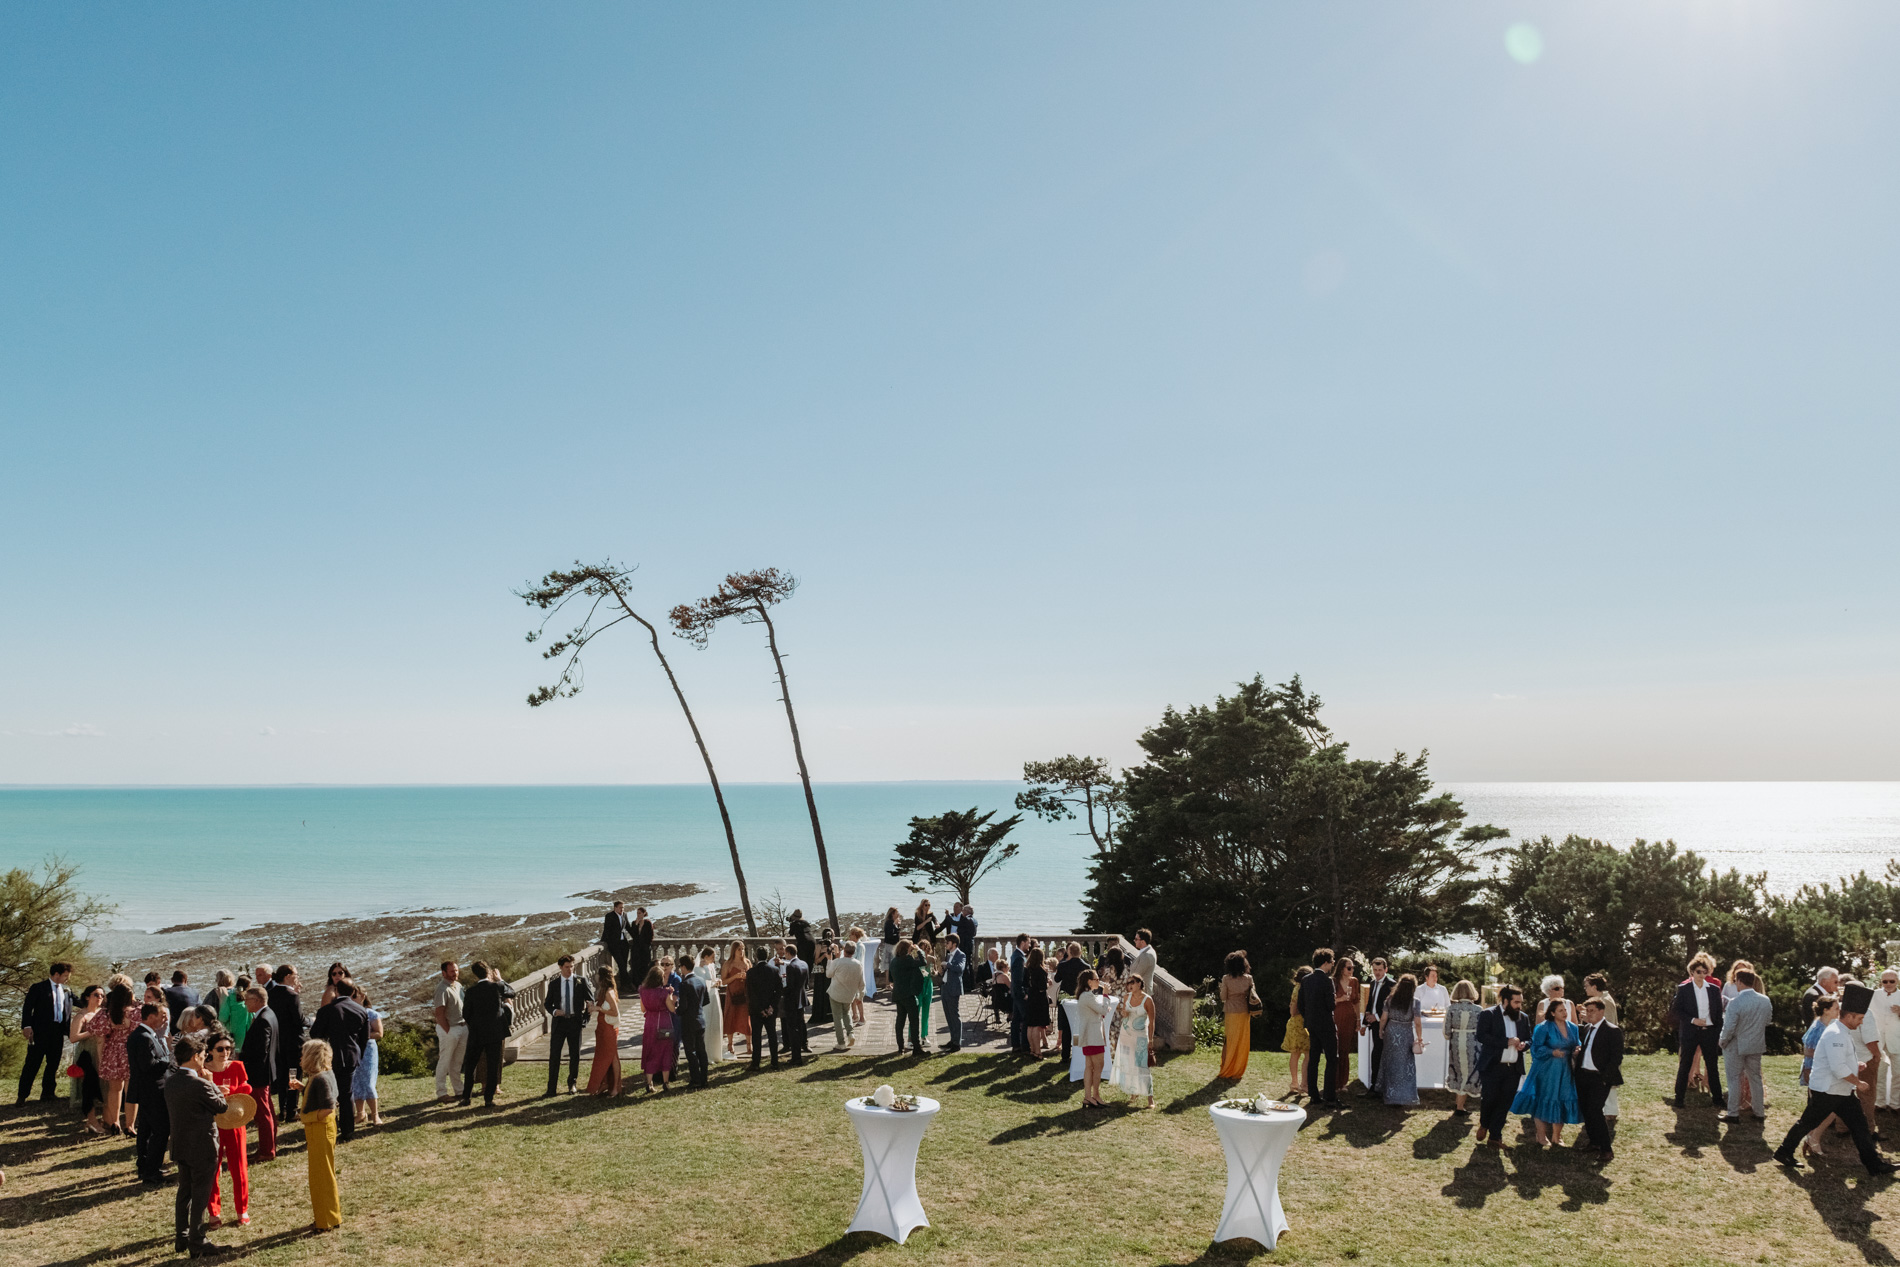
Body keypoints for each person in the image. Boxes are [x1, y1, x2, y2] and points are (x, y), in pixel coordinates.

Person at [1776, 982, 1900, 1175]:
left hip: (1840, 1090)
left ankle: (1874, 1164)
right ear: (1849, 1016)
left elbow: (1840, 1061)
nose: (1860, 1022)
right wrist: (1858, 1082)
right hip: (1828, 1090)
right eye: (1859, 1018)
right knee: (1807, 1122)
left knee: (1859, 1126)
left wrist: (1855, 1066)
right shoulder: (1836, 1033)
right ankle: (1784, 1151)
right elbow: (1837, 1068)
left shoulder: (1841, 1030)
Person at [165, 1031, 229, 1257]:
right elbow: (222, 1107)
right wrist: (211, 1084)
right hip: (202, 1145)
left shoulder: (171, 1082)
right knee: (200, 1194)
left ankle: (181, 1236)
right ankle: (197, 1239)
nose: (204, 1058)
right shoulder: (200, 1084)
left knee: (184, 1191)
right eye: (203, 1054)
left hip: (181, 1143)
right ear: (194, 1056)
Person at [1511, 998, 1582, 1146]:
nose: (1565, 1013)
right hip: (1546, 1069)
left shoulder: (1573, 1028)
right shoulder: (1543, 1027)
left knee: (1562, 1098)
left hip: (1566, 1070)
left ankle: (1557, 1136)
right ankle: (1541, 1135)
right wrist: (1551, 1052)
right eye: (1561, 1010)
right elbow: (1536, 1049)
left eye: (1565, 1010)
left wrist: (1577, 1050)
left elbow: (1577, 1043)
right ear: (1552, 1012)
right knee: (1544, 1099)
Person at [289, 1039, 343, 1230]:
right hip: (322, 1129)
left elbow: (328, 1108)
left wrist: (306, 1117)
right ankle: (330, 1216)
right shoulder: (322, 1075)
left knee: (321, 1176)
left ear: (311, 1057)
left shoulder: (319, 1078)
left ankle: (325, 1221)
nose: (301, 1058)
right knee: (324, 1174)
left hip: (320, 1129)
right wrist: (303, 1089)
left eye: (304, 1054)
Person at [309, 980, 371, 1141]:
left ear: (336, 990)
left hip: (330, 1056)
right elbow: (364, 1038)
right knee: (346, 1093)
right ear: (353, 992)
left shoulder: (327, 1010)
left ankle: (331, 1124)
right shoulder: (361, 1010)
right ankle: (348, 1130)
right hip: (351, 1055)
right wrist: (358, 1054)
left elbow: (314, 1034)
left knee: (329, 1092)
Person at [205, 1031, 251, 1229]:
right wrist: (216, 1092)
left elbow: (247, 1089)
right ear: (210, 1051)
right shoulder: (204, 1071)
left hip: (234, 1122)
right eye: (220, 1049)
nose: (225, 1053)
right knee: (211, 1170)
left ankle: (242, 1210)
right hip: (211, 1125)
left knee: (239, 1169)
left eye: (229, 1049)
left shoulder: (237, 1066)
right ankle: (214, 1213)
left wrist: (230, 1092)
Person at [1474, 985, 1529, 1146]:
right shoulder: (1488, 1014)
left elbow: (1529, 1039)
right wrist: (1506, 1042)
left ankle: (1495, 1136)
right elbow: (1481, 1036)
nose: (1519, 1005)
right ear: (1505, 1000)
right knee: (1489, 1098)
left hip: (1513, 1068)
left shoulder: (1523, 1017)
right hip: (1492, 1066)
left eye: (1521, 1002)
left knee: (1505, 1102)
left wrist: (1524, 1044)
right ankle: (1484, 1123)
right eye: (1516, 1002)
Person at [85, 981, 142, 1137]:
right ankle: (130, 1125)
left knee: (114, 1090)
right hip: (131, 1052)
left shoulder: (106, 1013)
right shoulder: (136, 1012)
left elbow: (94, 1029)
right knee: (131, 1091)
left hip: (112, 1051)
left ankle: (115, 1121)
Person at [1573, 995, 1624, 1163]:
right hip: (1583, 1076)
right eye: (1587, 1011)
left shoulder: (1612, 1030)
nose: (1589, 1014)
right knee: (1586, 1110)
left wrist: (1605, 1078)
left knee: (1595, 1111)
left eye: (1592, 1011)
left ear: (1602, 1011)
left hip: (1599, 1078)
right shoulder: (1586, 1029)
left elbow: (1616, 1058)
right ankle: (1594, 1142)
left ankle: (1606, 1149)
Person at [458, 961, 515, 1108]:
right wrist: (500, 979)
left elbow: (466, 1014)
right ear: (489, 972)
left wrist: (475, 1025)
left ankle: (466, 1097)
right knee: (492, 1065)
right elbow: (512, 993)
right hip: (495, 1033)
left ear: (475, 974)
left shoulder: (470, 991)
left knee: (470, 1065)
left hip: (477, 1033)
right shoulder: (497, 986)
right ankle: (488, 1099)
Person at [1719, 968, 1772, 1123]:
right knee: (1755, 1078)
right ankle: (1759, 1112)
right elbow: (1768, 1021)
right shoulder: (1765, 1000)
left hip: (1736, 1044)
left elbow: (1729, 1027)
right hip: (1756, 1043)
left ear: (1740, 982)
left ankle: (1733, 1113)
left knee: (1734, 1078)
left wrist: (1723, 1041)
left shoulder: (1735, 1002)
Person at [16, 960, 73, 1105]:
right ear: (56, 974)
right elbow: (27, 1008)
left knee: (53, 1063)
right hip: (40, 1031)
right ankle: (22, 1096)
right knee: (32, 1063)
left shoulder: (66, 990)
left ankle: (48, 1093)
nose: (67, 978)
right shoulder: (38, 988)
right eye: (65, 975)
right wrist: (27, 1026)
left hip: (57, 1031)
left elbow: (79, 1002)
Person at [1673, 957, 1726, 1108]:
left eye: (1705, 971)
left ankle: (1717, 1098)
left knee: (1712, 1066)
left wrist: (1716, 1030)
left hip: (1709, 1032)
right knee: (1685, 1065)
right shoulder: (1684, 989)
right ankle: (1679, 1098)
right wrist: (1692, 1020)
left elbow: (1718, 1012)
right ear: (1691, 972)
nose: (1702, 975)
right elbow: (1676, 1011)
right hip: (1691, 1032)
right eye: (1698, 972)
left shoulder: (1714, 989)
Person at [128, 1003, 173, 1182]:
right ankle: (151, 1170)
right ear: (150, 1016)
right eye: (162, 1015)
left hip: (150, 1089)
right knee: (161, 1129)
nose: (165, 1018)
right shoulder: (143, 1037)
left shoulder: (149, 1035)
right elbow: (148, 1066)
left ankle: (146, 1166)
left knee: (146, 1129)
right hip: (151, 1089)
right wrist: (169, 1063)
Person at [238, 986, 279, 1162]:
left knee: (262, 1113)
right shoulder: (269, 1014)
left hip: (258, 1073)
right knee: (267, 1110)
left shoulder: (262, 1020)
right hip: (266, 1070)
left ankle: (267, 1150)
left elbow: (260, 1051)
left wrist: (242, 1060)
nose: (245, 1003)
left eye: (247, 1000)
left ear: (256, 1000)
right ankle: (269, 1145)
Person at [1798, 994, 1841, 1159]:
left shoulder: (1828, 1025)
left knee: (1829, 1108)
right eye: (1836, 1008)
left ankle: (1813, 1137)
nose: (1839, 1011)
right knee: (1825, 1109)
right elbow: (1807, 1051)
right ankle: (1813, 1138)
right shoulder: (1818, 1027)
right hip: (1815, 1072)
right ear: (1826, 1010)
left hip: (1823, 1071)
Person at [543, 954, 592, 1097]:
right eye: (566, 967)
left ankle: (572, 1084)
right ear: (560, 967)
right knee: (554, 1055)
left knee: (574, 1055)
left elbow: (590, 1001)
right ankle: (551, 1088)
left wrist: (585, 1019)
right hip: (559, 1023)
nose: (570, 970)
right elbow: (547, 1004)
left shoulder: (581, 981)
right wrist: (554, 1011)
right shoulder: (554, 984)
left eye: (571, 966)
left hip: (574, 1022)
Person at [1296, 950, 1340, 1107]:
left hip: (1311, 1025)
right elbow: (1331, 1005)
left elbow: (1300, 1004)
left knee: (1314, 1059)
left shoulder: (1306, 980)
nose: (1334, 963)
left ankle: (1313, 1094)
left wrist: (1309, 1017)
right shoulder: (1327, 981)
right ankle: (1329, 1095)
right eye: (1332, 961)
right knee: (1332, 1059)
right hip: (1326, 1024)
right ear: (1326, 962)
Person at [267, 965, 306, 1127]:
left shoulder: (270, 994)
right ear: (288, 976)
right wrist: (312, 1021)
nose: (297, 977)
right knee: (294, 1075)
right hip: (293, 1042)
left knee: (282, 1076)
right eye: (296, 975)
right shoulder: (291, 995)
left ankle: (282, 1109)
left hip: (277, 1042)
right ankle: (292, 1111)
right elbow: (299, 1020)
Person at [1377, 973, 1423, 1107]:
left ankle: (1389, 1094)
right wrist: (1419, 1037)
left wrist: (1381, 1030)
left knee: (1390, 1062)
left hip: (1391, 1032)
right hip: (1406, 1033)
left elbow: (1384, 1018)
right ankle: (1404, 1095)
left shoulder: (1390, 999)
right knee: (1404, 1064)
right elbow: (1418, 1022)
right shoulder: (1415, 1002)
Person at [70, 984, 106, 1134]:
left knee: (103, 1087)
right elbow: (73, 1037)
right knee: (88, 1087)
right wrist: (91, 1032)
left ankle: (104, 1119)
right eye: (96, 995)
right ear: (87, 997)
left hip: (102, 1052)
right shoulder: (81, 1015)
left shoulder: (103, 1013)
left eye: (102, 996)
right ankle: (92, 1120)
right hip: (87, 1053)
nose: (99, 998)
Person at [1116, 974, 1156, 1108]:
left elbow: (1151, 1022)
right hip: (1126, 1034)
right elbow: (1123, 1012)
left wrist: (1150, 1039)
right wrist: (1124, 1013)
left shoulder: (1147, 1000)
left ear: (1139, 983)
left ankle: (1150, 1098)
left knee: (1142, 1065)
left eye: (1132, 982)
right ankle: (1133, 1093)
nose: (1129, 985)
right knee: (1129, 1064)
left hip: (1140, 1036)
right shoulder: (1127, 996)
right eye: (1128, 983)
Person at [1074, 969, 1112, 1108]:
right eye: (1096, 979)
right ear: (1089, 982)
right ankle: (1094, 1095)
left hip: (1090, 1034)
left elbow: (1099, 1011)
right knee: (1098, 1065)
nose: (1099, 981)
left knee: (1090, 1066)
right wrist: (1106, 995)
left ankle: (1088, 1096)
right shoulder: (1087, 996)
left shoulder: (1086, 995)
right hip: (1093, 1035)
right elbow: (1102, 1010)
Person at [1444, 980, 1483, 1114]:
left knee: (1458, 1070)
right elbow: (1482, 1030)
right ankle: (1460, 1106)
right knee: (1469, 1072)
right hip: (1473, 1042)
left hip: (1456, 1041)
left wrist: (1452, 1035)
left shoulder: (1451, 1008)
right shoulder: (1478, 1010)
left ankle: (1459, 1105)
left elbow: (1446, 1031)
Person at [1218, 951, 1257, 1080]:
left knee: (1229, 1041)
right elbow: (1253, 995)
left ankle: (1226, 1068)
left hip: (1230, 1011)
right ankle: (1237, 1070)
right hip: (1244, 1011)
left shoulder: (1226, 979)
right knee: (1242, 1041)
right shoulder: (1249, 979)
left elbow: (1223, 997)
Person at [585, 965, 623, 1096]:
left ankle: (616, 1087)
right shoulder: (605, 991)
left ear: (601, 977)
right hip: (602, 1028)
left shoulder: (609, 992)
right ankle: (605, 1083)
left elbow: (615, 1012)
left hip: (608, 1029)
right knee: (603, 1056)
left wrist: (598, 1009)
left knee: (612, 1056)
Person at [431, 961, 466, 1102]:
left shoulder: (458, 986)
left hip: (462, 1027)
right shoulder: (441, 989)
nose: (455, 973)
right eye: (452, 971)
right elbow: (439, 1014)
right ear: (444, 973)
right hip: (450, 1029)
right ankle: (441, 1093)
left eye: (456, 970)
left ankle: (459, 1090)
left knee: (457, 1062)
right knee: (445, 1061)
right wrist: (448, 1031)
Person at [1359, 958, 1395, 1094]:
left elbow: (1392, 1008)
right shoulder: (1373, 983)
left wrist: (1378, 1017)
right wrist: (1365, 1023)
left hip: (1386, 1025)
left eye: (1380, 970)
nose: (1377, 973)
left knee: (1381, 1054)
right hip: (1373, 1025)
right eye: (1375, 970)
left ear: (1386, 970)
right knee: (1376, 1054)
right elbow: (1370, 1004)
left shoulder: (1392, 985)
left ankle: (1381, 1087)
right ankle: (1374, 1086)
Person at [351, 988, 385, 1127]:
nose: (352, 999)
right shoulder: (350, 1013)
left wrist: (363, 1036)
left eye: (355, 996)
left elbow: (379, 1033)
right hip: (354, 1050)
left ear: (363, 996)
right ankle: (360, 1113)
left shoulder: (371, 1014)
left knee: (368, 1082)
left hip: (368, 1050)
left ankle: (375, 1114)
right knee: (356, 1082)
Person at [745, 946, 783, 1070]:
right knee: (772, 1035)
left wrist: (760, 1008)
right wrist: (771, 1007)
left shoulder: (751, 972)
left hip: (756, 1010)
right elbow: (778, 990)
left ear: (756, 956)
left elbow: (751, 993)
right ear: (767, 956)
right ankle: (774, 1062)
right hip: (770, 1009)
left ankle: (756, 1063)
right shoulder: (774, 970)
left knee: (756, 1036)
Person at [675, 957, 710, 1089]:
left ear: (683, 967)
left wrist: (676, 1009)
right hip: (700, 1019)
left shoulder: (685, 984)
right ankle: (704, 1078)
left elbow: (683, 1006)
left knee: (691, 1052)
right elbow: (706, 1000)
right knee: (702, 1051)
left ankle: (695, 1079)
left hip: (688, 1022)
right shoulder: (701, 980)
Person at [827, 938, 864, 1050]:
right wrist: (860, 996)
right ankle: (850, 1033)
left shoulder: (837, 962)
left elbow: (828, 974)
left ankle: (841, 1042)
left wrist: (829, 960)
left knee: (837, 1018)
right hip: (849, 994)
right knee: (846, 1013)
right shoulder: (858, 964)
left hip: (836, 993)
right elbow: (862, 982)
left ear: (844, 949)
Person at [1331, 959, 1360, 1097]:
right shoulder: (1333, 981)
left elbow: (1356, 1001)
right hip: (1336, 1015)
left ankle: (1343, 1083)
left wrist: (1358, 1020)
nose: (1351, 970)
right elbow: (1328, 1000)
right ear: (1342, 968)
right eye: (1349, 968)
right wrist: (1339, 999)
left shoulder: (1354, 981)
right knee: (1335, 1048)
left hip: (1349, 1017)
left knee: (1345, 1049)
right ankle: (1334, 1082)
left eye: (1352, 968)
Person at [1054, 939, 1086, 1062]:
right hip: (1079, 998)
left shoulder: (1062, 965)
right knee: (1080, 1025)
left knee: (1066, 1026)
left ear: (1069, 952)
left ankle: (1065, 1055)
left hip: (1065, 998)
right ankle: (1079, 1053)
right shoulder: (1086, 966)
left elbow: (1057, 979)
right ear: (1080, 952)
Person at [1282, 967, 1312, 1099]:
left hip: (1294, 1024)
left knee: (1295, 1054)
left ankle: (1294, 1083)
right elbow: (1294, 1010)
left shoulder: (1297, 988)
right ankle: (1304, 1085)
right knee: (1307, 1054)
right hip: (1301, 1024)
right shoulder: (1303, 989)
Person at [780, 943, 811, 1066]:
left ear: (788, 953)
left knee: (793, 1030)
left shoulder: (791, 966)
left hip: (792, 1001)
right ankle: (804, 1046)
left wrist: (781, 989)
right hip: (801, 998)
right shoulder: (804, 963)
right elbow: (806, 982)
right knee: (801, 1025)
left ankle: (796, 1057)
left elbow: (790, 987)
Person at [721, 940, 752, 1059]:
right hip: (733, 994)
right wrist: (735, 976)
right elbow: (724, 981)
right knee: (731, 1017)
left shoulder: (747, 962)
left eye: (743, 949)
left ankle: (749, 1044)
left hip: (744, 994)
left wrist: (746, 977)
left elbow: (752, 976)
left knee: (745, 1018)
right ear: (734, 951)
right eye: (739, 949)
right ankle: (730, 1044)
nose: (742, 951)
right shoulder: (728, 964)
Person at [692, 948, 724, 1062]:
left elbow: (713, 978)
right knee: (707, 1024)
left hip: (714, 996)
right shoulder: (698, 968)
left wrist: (718, 981)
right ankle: (706, 1054)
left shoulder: (711, 966)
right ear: (705, 957)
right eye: (712, 957)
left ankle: (715, 1053)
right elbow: (706, 980)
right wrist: (705, 966)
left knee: (715, 1023)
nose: (714, 959)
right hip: (706, 999)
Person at [1875, 970, 1900, 1112]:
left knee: (1898, 1074)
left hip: (1897, 1040)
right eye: (1885, 981)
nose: (1888, 984)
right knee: (1879, 1073)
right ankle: (1880, 1103)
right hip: (1879, 1040)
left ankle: (1896, 1104)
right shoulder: (1874, 995)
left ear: (1897, 981)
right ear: (1881, 982)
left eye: (1892, 981)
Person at [1021, 945, 1052, 1057]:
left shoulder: (1026, 969)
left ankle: (1032, 1050)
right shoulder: (1040, 970)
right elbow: (1042, 987)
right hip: (1039, 999)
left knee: (1030, 1026)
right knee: (1038, 1026)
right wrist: (1048, 983)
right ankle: (1038, 1052)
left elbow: (1025, 984)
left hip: (1030, 997)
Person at [940, 933, 967, 1053]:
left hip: (953, 989)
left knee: (954, 1016)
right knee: (948, 1015)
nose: (946, 944)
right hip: (945, 987)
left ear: (954, 944)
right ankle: (952, 1040)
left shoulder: (961, 955)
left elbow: (960, 968)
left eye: (948, 943)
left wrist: (948, 965)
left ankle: (957, 1043)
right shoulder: (948, 955)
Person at [1008, 934, 1031, 1053]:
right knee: (1026, 1019)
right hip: (1019, 994)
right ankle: (1025, 1046)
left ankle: (1016, 1045)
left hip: (1015, 993)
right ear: (1023, 943)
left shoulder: (1015, 955)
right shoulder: (1019, 958)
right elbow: (1018, 979)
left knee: (1016, 1019)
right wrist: (1023, 994)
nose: (1030, 945)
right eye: (1028, 942)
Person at [602, 901, 634, 987]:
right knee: (621, 964)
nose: (622, 909)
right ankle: (629, 984)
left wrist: (637, 937)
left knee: (623, 964)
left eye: (623, 907)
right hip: (614, 944)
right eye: (620, 907)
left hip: (624, 943)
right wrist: (603, 941)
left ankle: (624, 986)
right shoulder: (609, 916)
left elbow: (628, 928)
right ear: (615, 908)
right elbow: (606, 930)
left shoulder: (624, 915)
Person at [848, 926, 874, 1020]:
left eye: (850, 934)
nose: (849, 936)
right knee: (853, 996)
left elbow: (857, 960)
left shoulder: (859, 946)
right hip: (853, 973)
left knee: (858, 997)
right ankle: (855, 1015)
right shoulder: (854, 945)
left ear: (855, 935)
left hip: (857, 974)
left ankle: (862, 1017)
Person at [164, 971, 201, 1035]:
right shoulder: (195, 992)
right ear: (186, 980)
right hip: (191, 1029)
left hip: (173, 1031)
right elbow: (200, 1009)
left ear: (172, 980)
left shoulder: (166, 992)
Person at [878, 907, 903, 990]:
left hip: (895, 946)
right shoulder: (889, 923)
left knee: (893, 966)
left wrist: (897, 926)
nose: (898, 914)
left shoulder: (895, 922)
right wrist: (895, 926)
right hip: (890, 946)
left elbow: (897, 934)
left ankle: (892, 984)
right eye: (897, 912)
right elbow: (890, 935)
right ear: (893, 913)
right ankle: (888, 984)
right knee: (888, 966)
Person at [629, 907, 655, 974]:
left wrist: (647, 944)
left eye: (640, 913)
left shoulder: (648, 923)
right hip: (636, 949)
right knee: (636, 966)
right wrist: (636, 925)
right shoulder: (634, 923)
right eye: (637, 913)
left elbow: (651, 935)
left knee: (645, 966)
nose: (638, 915)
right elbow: (633, 935)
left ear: (644, 914)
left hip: (645, 949)